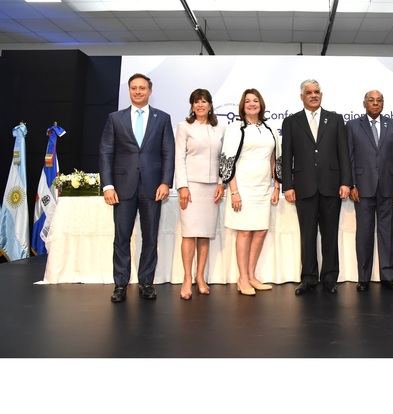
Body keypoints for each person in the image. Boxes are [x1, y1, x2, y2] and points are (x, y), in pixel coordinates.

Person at [100, 73, 175, 303]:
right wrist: (108, 185)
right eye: (134, 88)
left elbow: (168, 152)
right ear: (129, 91)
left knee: (150, 237)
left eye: (142, 88)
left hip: (153, 188)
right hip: (122, 188)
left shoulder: (162, 118)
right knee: (121, 237)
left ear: (150, 91)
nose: (138, 92)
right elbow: (106, 151)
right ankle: (120, 284)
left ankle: (146, 282)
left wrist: (165, 182)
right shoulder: (115, 118)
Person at [281, 79, 352, 295]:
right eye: (309, 92)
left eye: (317, 92)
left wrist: (346, 182)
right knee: (308, 235)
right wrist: (288, 185)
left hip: (332, 186)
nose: (313, 95)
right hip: (304, 187)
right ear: (301, 96)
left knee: (330, 235)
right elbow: (287, 157)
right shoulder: (291, 121)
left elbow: (344, 153)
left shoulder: (336, 119)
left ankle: (330, 278)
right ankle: (309, 278)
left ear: (322, 94)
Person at [219, 88, 280, 296]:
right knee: (244, 232)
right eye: (247, 101)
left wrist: (276, 186)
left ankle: (252, 275)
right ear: (242, 106)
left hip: (263, 188)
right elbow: (227, 159)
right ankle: (242, 278)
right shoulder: (236, 128)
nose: (252, 104)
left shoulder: (269, 128)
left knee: (261, 231)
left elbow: (273, 158)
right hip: (242, 188)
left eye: (255, 101)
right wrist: (234, 191)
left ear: (261, 104)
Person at [347, 90, 393, 292]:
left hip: (389, 187)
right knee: (364, 233)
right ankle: (363, 278)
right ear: (364, 103)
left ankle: (388, 276)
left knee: (388, 233)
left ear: (383, 103)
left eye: (379, 101)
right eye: (371, 100)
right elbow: (349, 157)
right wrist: (352, 183)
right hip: (362, 188)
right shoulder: (353, 125)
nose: (375, 103)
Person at [175, 88, 225, 300]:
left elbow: (224, 159)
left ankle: (200, 277)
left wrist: (222, 183)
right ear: (192, 106)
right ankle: (187, 278)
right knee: (189, 234)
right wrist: (183, 186)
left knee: (204, 234)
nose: (200, 105)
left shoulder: (220, 128)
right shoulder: (184, 127)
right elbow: (179, 158)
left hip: (212, 187)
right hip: (192, 187)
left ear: (210, 105)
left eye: (204, 101)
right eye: (196, 102)